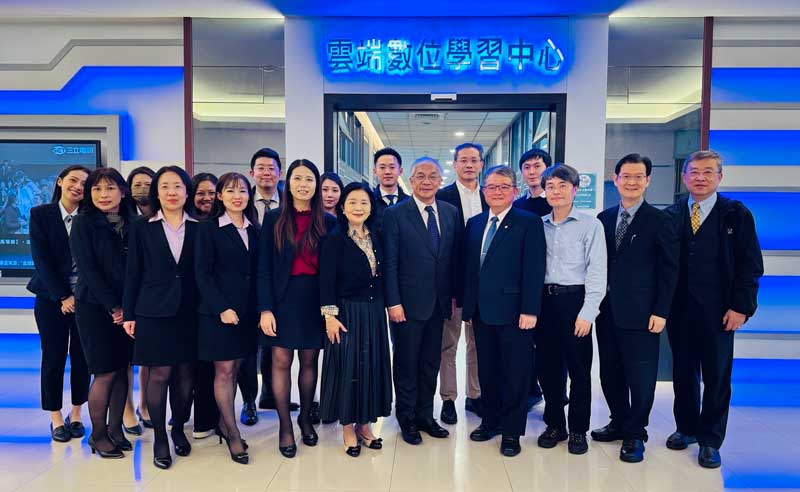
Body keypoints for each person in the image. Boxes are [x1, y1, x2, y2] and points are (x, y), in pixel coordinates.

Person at [664, 150, 763, 469]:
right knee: (683, 372)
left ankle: (710, 439)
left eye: (708, 172)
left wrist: (740, 307)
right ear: (684, 177)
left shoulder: (736, 214)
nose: (700, 177)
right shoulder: (672, 213)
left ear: (720, 177)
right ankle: (686, 428)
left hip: (720, 311)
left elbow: (750, 264)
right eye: (694, 172)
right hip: (679, 310)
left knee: (717, 376)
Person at [591, 154, 680, 463]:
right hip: (607, 312)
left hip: (643, 313)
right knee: (610, 372)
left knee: (640, 377)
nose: (631, 182)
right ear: (616, 180)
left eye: (638, 176)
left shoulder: (660, 220)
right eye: (625, 176)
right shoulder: (603, 218)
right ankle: (618, 421)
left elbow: (669, 270)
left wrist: (662, 311)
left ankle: (635, 433)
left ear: (647, 180)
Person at [462, 165, 546, 457]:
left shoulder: (528, 222)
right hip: (481, 312)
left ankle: (511, 431)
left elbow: (534, 268)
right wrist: (468, 307)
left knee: (515, 372)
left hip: (515, 313)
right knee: (487, 370)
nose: (496, 192)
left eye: (503, 187)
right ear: (483, 191)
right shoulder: (474, 223)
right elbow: (469, 268)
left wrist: (530, 310)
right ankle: (491, 421)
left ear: (514, 190)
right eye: (491, 187)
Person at [258, 159, 337, 458]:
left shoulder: (328, 221)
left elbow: (333, 272)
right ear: (288, 183)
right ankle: (284, 426)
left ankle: (305, 416)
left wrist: (330, 310)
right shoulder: (274, 219)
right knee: (280, 360)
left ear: (317, 185)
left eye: (309, 179)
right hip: (282, 298)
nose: (303, 184)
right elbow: (264, 267)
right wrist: (265, 309)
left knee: (309, 361)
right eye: (298, 178)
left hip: (315, 299)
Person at [123, 166, 199, 470]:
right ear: (157, 192)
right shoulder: (142, 227)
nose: (171, 192)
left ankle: (178, 427)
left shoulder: (200, 226)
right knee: (159, 374)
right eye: (165, 186)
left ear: (187, 191)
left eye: (177, 186)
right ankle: (159, 439)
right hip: (153, 310)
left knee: (185, 374)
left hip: (191, 311)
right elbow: (133, 272)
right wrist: (129, 313)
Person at [383, 156, 460, 445]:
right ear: (411, 180)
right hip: (406, 305)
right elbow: (390, 262)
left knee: (430, 363)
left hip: (439, 304)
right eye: (420, 176)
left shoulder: (450, 213)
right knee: (406, 364)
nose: (427, 181)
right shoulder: (395, 214)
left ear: (441, 180)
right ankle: (407, 418)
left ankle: (426, 415)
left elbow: (453, 258)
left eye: (433, 176)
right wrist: (393, 302)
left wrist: (452, 296)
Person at [536, 164, 607, 455]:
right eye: (550, 186)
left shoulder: (591, 225)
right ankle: (555, 425)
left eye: (562, 186)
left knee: (579, 370)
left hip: (575, 301)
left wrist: (588, 312)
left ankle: (578, 429)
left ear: (575, 190)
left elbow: (597, 271)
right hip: (544, 303)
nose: (556, 191)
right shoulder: (537, 225)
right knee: (547, 369)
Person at [319, 182, 392, 457]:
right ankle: (348, 427)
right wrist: (330, 316)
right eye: (352, 202)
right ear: (342, 207)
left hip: (373, 313)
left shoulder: (377, 235)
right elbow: (326, 280)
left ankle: (365, 425)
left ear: (371, 207)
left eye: (364, 202)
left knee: (370, 367)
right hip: (347, 313)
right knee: (348, 369)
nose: (358, 207)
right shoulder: (334, 239)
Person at [70, 168, 135, 458]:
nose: (103, 195)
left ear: (123, 191)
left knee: (122, 369)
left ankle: (116, 429)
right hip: (95, 307)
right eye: (96, 189)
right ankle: (97, 435)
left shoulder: (134, 222)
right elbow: (88, 270)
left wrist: (128, 307)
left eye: (110, 188)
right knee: (105, 371)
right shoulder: (83, 223)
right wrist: (114, 306)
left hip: (127, 308)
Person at [195, 172, 259, 465]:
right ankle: (232, 432)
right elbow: (202, 273)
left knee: (235, 370)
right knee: (224, 371)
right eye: (230, 191)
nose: (237, 196)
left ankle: (224, 422)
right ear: (219, 196)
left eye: (242, 191)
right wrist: (221, 307)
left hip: (247, 314)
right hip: (218, 313)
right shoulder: (208, 229)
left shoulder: (255, 229)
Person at [27, 165, 91, 443]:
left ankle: (76, 414)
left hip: (86, 300)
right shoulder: (41, 214)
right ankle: (55, 417)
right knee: (53, 357)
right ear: (60, 182)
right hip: (50, 298)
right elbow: (41, 260)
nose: (78, 186)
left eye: (84, 184)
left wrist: (78, 296)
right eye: (73, 180)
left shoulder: (91, 217)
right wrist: (63, 296)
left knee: (82, 358)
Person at [434, 143, 487, 424]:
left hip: (483, 287)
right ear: (454, 164)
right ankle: (448, 399)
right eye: (463, 160)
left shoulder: (491, 195)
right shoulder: (441, 197)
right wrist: (450, 289)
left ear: (481, 164)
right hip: (452, 287)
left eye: (474, 160)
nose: (469, 165)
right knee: (448, 345)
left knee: (478, 343)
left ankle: (475, 395)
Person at [242, 147, 289, 425]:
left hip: (278, 284)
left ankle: (272, 394)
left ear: (280, 173)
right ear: (252, 172)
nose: (266, 173)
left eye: (272, 168)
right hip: (247, 282)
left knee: (276, 343)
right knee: (249, 346)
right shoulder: (242, 200)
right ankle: (249, 400)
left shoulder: (289, 202)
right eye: (261, 168)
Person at [123, 166, 155, 435]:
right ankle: (127, 409)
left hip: (152, 298)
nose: (142, 188)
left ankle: (146, 405)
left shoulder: (160, 216)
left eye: (148, 184)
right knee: (124, 359)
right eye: (137, 184)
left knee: (148, 358)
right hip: (125, 295)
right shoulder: (123, 217)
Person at [188, 172, 220, 439]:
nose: (206, 198)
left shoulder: (220, 224)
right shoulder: (188, 223)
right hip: (187, 303)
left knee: (215, 366)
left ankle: (214, 417)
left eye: (211, 192)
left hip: (215, 304)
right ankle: (197, 419)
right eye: (201, 193)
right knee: (194, 366)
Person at [372, 148, 409, 233]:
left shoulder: (411, 204)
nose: (387, 172)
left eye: (392, 167)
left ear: (400, 171)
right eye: (382, 167)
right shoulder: (369, 202)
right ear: (375, 171)